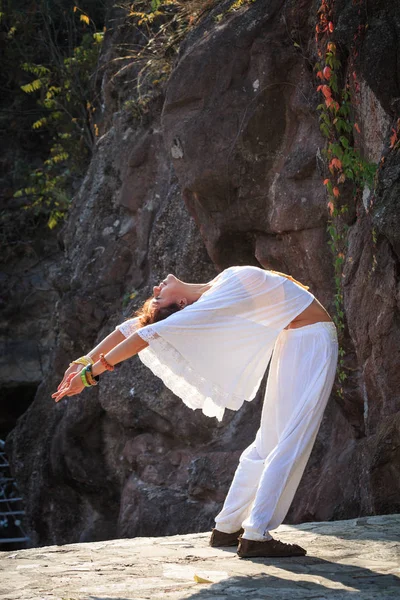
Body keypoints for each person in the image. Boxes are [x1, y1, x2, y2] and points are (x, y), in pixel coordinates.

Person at [53, 265, 338, 558]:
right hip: (311, 340)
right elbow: (144, 332)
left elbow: (131, 328)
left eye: (156, 296)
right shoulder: (213, 299)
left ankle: (228, 528)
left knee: (271, 441)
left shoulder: (214, 289)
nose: (156, 289)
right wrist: (91, 373)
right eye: (160, 299)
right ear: (181, 304)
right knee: (288, 439)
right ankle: (256, 534)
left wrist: (84, 360)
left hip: (297, 341)